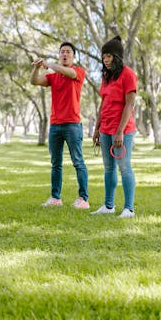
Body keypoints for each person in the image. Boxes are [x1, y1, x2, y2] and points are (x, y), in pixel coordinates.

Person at [31, 42, 90, 209]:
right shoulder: (53, 77)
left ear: (73, 56)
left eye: (68, 52)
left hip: (72, 125)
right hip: (55, 125)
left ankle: (83, 199)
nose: (65, 54)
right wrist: (36, 67)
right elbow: (34, 81)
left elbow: (68, 72)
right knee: (56, 163)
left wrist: (48, 64)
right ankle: (55, 198)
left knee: (78, 162)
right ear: (59, 55)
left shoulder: (78, 72)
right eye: (62, 52)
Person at [91, 36, 137, 218]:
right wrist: (96, 129)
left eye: (109, 56)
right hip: (105, 129)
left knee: (124, 167)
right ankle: (108, 206)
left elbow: (129, 105)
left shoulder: (128, 74)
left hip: (122, 130)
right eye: (104, 57)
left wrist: (119, 132)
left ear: (117, 57)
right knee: (108, 168)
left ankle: (129, 209)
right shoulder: (106, 77)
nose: (106, 60)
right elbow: (103, 104)